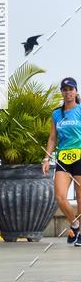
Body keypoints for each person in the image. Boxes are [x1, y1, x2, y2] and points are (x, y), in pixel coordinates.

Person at [43, 77, 81, 245]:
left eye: (70, 89)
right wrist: (46, 158)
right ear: (62, 92)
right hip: (63, 157)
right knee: (59, 196)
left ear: (76, 91)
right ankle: (75, 224)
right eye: (65, 90)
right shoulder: (57, 113)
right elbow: (52, 138)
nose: (68, 93)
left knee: (80, 197)